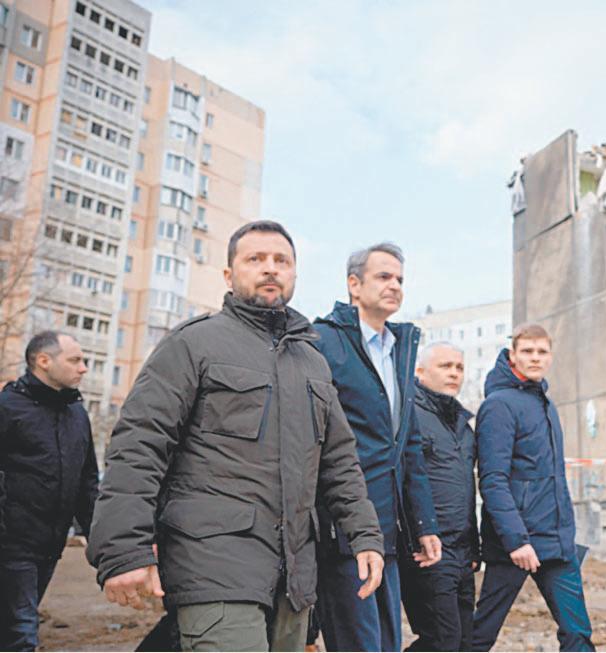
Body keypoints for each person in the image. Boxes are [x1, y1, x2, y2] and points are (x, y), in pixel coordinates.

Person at [86, 221, 383, 652]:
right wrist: (123, 550)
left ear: (295, 274)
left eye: (281, 261)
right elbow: (139, 446)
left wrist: (365, 535)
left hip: (294, 576)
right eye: (255, 259)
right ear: (229, 275)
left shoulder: (312, 362)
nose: (270, 268)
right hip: (213, 564)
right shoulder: (194, 344)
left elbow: (339, 462)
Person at [311, 242, 440, 652]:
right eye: (384, 276)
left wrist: (423, 524)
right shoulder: (322, 342)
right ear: (354, 284)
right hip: (343, 530)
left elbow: (408, 447)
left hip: (388, 530)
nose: (395, 285)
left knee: (386, 644)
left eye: (400, 278)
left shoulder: (398, 350)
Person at [472, 324, 595, 652]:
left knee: (578, 633)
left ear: (551, 357)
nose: (535, 358)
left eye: (542, 352)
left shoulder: (546, 405)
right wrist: (516, 540)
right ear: (512, 355)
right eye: (527, 351)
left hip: (556, 543)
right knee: (481, 635)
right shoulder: (499, 405)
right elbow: (493, 480)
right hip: (515, 546)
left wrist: (566, 534)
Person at [0, 331, 97, 651]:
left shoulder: (77, 414)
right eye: (75, 360)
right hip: (12, 545)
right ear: (43, 361)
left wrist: (98, 537)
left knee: (12, 626)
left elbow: (87, 481)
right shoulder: (7, 407)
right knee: (22, 631)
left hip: (51, 544)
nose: (83, 368)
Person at [399, 343, 478, 651]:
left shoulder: (463, 426)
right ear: (420, 371)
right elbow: (404, 480)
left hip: (462, 551)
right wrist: (417, 534)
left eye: (459, 368)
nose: (454, 373)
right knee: (440, 641)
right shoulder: (408, 415)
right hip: (429, 548)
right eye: (445, 366)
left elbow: (466, 489)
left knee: (464, 643)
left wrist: (474, 547)